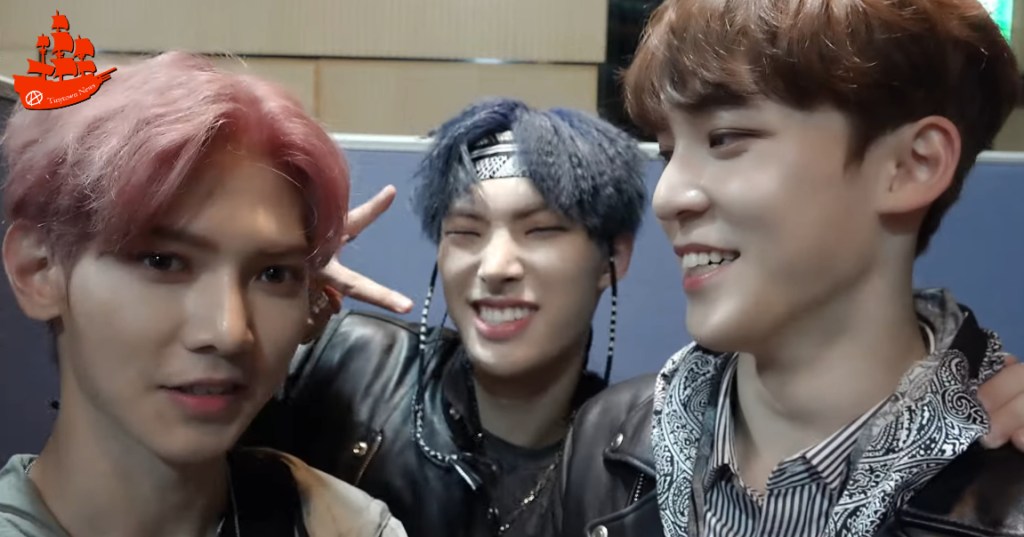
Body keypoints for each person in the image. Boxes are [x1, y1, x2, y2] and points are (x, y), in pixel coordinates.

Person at [555, 0, 1024, 536]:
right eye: (667, 152)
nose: (666, 197)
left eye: (724, 138)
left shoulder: (1007, 488)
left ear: (912, 165)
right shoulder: (604, 442)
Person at [0, 51, 406, 537]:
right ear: (38, 269)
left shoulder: (347, 526)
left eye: (273, 274)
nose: (229, 331)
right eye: (162, 261)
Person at [242, 96, 648, 537]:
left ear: (613, 256)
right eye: (465, 232)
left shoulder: (633, 465)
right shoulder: (345, 365)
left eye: (540, 231)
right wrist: (270, 293)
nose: (495, 267)